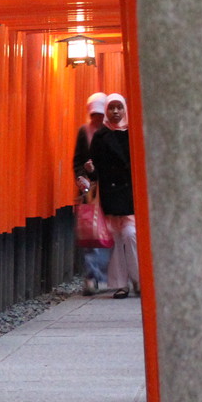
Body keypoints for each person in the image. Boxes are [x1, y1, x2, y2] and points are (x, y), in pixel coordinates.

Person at [87, 92, 139, 298]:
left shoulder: (133, 133)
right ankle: (121, 283)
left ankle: (138, 277)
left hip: (130, 194)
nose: (115, 112)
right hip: (111, 194)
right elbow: (97, 168)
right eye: (111, 108)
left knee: (131, 234)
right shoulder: (101, 136)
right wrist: (90, 170)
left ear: (125, 109)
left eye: (119, 107)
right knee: (116, 238)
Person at [72, 92, 111, 294]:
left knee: (108, 233)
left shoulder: (115, 131)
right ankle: (93, 276)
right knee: (91, 233)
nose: (98, 118)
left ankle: (103, 276)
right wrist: (81, 177)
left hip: (111, 189)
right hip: (91, 190)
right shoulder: (84, 132)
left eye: (100, 113)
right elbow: (78, 160)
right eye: (94, 114)